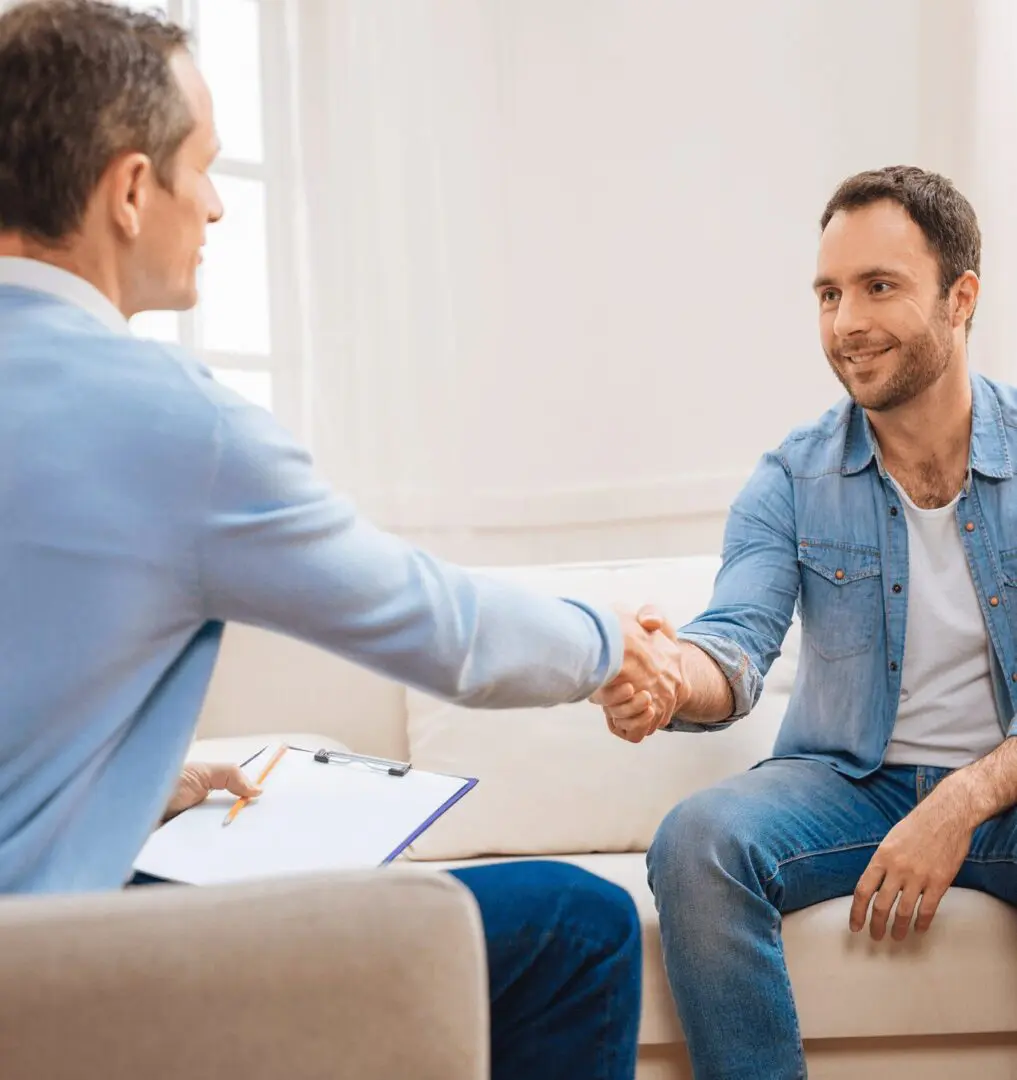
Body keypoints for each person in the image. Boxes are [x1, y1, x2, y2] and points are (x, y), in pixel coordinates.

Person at [0, 3, 684, 1077]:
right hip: (47, 985)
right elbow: (439, 628)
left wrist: (139, 782)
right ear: (131, 192)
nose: (219, 207)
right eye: (203, 169)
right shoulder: (176, 424)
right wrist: (608, 641)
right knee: (573, 926)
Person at [596, 163, 1017, 1079]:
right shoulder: (789, 477)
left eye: (877, 287)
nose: (845, 323)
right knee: (698, 840)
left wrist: (963, 799)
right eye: (827, 293)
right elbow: (734, 646)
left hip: (1006, 789)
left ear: (960, 298)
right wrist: (672, 678)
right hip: (845, 784)